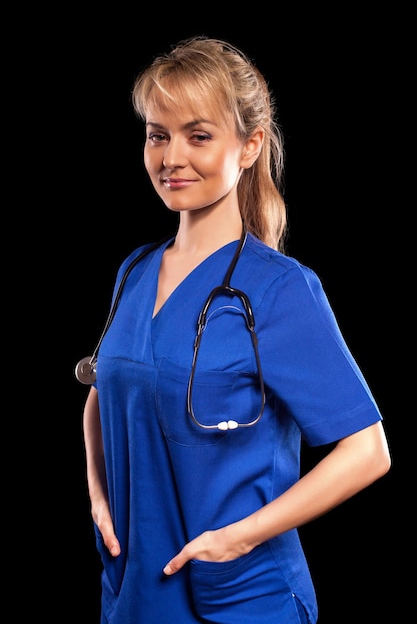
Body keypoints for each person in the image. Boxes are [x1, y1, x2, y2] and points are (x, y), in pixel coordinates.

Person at [79, 36, 391, 623]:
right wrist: (98, 495)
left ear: (249, 147)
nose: (171, 157)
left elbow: (367, 451)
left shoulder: (278, 290)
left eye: (198, 136)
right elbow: (102, 393)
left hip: (239, 597)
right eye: (157, 134)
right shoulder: (134, 271)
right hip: (135, 594)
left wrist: (240, 539)